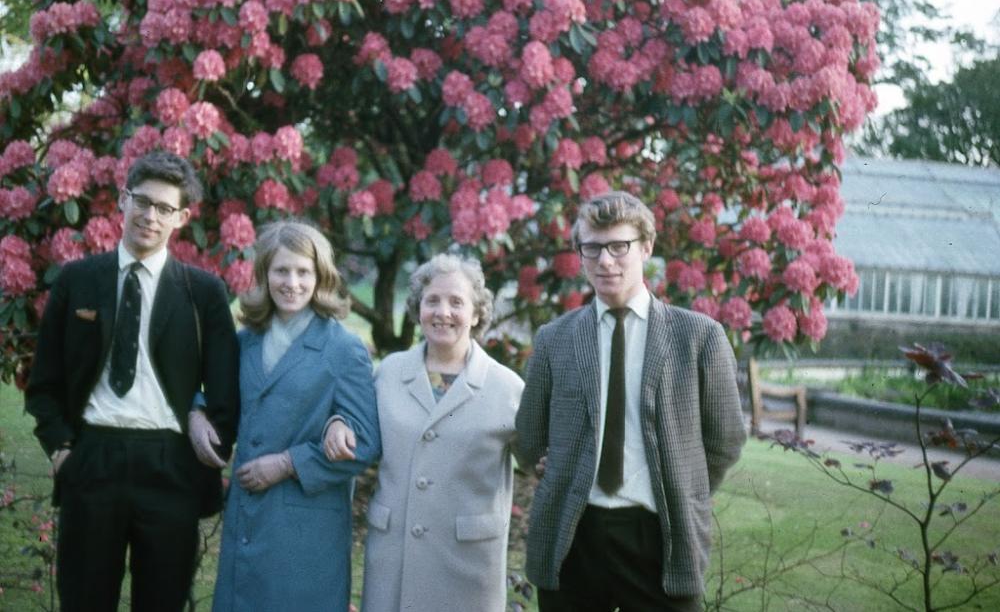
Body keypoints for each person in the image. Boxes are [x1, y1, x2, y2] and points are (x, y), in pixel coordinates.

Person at [24, 151, 240, 611]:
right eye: (142, 201)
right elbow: (44, 382)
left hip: (170, 465)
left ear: (182, 217)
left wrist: (206, 442)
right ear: (123, 201)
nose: (150, 216)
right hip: (91, 459)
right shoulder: (76, 280)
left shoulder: (203, 292)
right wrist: (63, 450)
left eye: (164, 208)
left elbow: (226, 389)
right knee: (83, 601)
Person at [514, 191, 747, 612]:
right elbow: (529, 438)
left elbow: (726, 439)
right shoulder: (555, 340)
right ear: (580, 253)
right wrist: (554, 464)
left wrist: (683, 486)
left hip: (660, 534)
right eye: (592, 248)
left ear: (646, 247)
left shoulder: (698, 338)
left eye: (619, 246)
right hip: (574, 535)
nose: (605, 261)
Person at [326, 253, 523, 612]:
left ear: (477, 313)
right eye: (432, 300)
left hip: (467, 563)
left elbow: (536, 455)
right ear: (418, 309)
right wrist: (338, 423)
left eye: (456, 302)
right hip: (393, 555)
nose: (442, 311)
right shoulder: (389, 372)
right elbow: (359, 424)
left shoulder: (507, 387)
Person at [210, 220, 379, 612]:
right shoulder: (245, 342)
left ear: (320, 277)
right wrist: (199, 411)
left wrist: (288, 463)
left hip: (306, 526)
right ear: (265, 274)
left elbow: (367, 443)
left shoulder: (343, 349)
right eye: (281, 270)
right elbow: (221, 400)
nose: (292, 282)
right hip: (247, 516)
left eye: (304, 272)